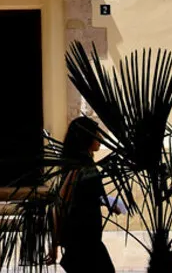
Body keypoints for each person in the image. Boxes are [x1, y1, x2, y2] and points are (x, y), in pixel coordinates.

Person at [46, 115, 125, 273]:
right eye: (97, 134)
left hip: (84, 242)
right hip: (84, 244)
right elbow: (60, 204)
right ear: (87, 138)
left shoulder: (79, 166)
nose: (101, 138)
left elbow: (82, 197)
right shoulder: (82, 168)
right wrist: (54, 245)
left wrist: (107, 203)